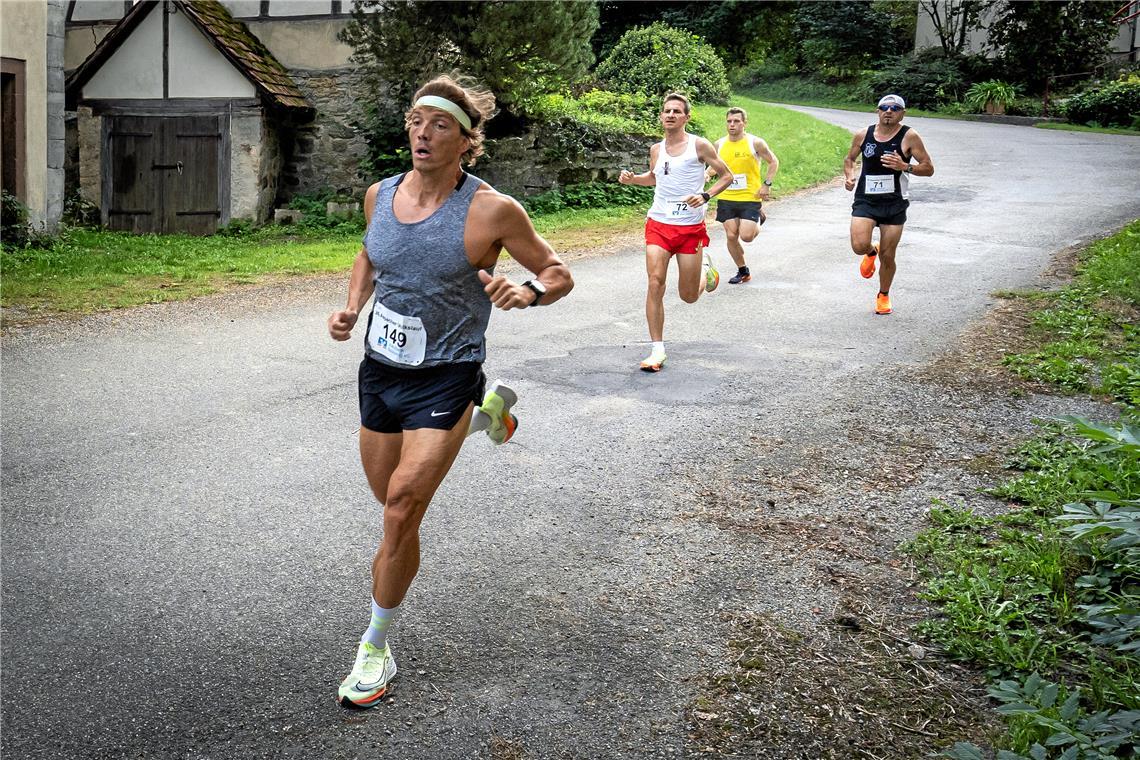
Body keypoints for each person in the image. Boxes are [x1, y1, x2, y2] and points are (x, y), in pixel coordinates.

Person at [326, 74, 573, 708]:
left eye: (438, 125)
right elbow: (369, 255)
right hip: (381, 371)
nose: (422, 133)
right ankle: (487, 413)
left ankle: (375, 649)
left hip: (446, 370)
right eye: (415, 120)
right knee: (392, 510)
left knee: (402, 507)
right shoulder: (379, 195)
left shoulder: (492, 209)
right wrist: (352, 306)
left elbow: (556, 271)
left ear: (467, 141)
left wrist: (527, 291)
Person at [619, 92, 734, 372]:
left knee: (689, 296)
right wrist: (634, 180)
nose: (670, 115)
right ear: (661, 116)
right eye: (666, 111)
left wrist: (706, 196)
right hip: (658, 224)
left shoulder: (700, 146)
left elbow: (727, 175)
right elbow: (655, 178)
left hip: (690, 229)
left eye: (676, 111)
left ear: (686, 117)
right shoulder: (656, 150)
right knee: (655, 282)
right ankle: (657, 350)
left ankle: (707, 270)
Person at [843, 93, 934, 315]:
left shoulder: (909, 136)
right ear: (878, 111)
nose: (889, 111)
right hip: (866, 199)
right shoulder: (863, 134)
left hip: (894, 202)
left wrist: (905, 166)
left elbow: (928, 168)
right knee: (858, 246)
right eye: (885, 107)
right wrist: (849, 176)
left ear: (902, 113)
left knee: (889, 254)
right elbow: (849, 159)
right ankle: (869, 251)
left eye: (895, 108)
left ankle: (883, 295)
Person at [708, 107, 780, 284]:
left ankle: (758, 217)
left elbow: (773, 161)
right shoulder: (719, 144)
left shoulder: (755, 143)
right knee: (732, 236)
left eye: (736, 121)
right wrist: (707, 174)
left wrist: (767, 184)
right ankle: (743, 271)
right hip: (726, 196)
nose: (732, 125)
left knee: (746, 236)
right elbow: (714, 167)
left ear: (744, 123)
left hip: (750, 196)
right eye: (729, 121)